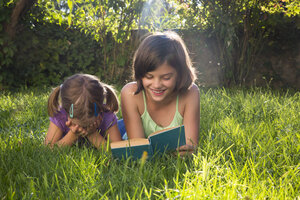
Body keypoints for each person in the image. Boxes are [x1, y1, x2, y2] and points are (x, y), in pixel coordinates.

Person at [120, 31, 200, 154]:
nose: (157, 85)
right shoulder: (130, 93)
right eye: (149, 77)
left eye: (166, 78)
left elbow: (189, 147)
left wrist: (187, 150)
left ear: (180, 74)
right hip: (122, 129)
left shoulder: (191, 93)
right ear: (140, 73)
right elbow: (140, 152)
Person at [44, 73, 122, 149]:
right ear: (68, 112)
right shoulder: (60, 116)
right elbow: (49, 149)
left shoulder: (107, 116)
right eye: (80, 126)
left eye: (87, 126)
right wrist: (73, 134)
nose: (83, 129)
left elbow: (118, 150)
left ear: (99, 109)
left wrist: (92, 134)